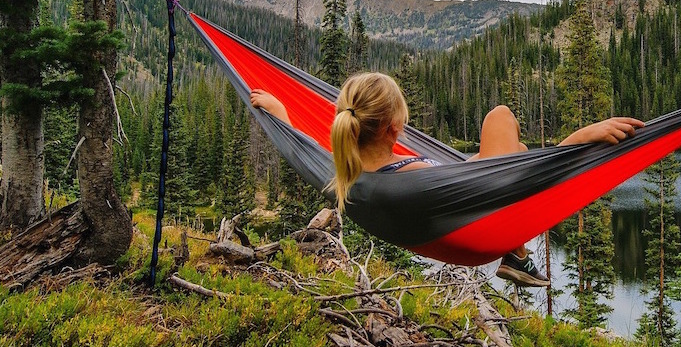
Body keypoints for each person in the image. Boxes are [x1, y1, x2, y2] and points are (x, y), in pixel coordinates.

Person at [250, 72, 644, 287]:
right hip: (479, 229)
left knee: (518, 150)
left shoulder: (344, 174)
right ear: (393, 128)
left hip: (456, 209)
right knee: (500, 116)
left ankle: (518, 255)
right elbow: (513, 187)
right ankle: (516, 253)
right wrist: (576, 143)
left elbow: (305, 149)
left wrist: (282, 114)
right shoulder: (412, 180)